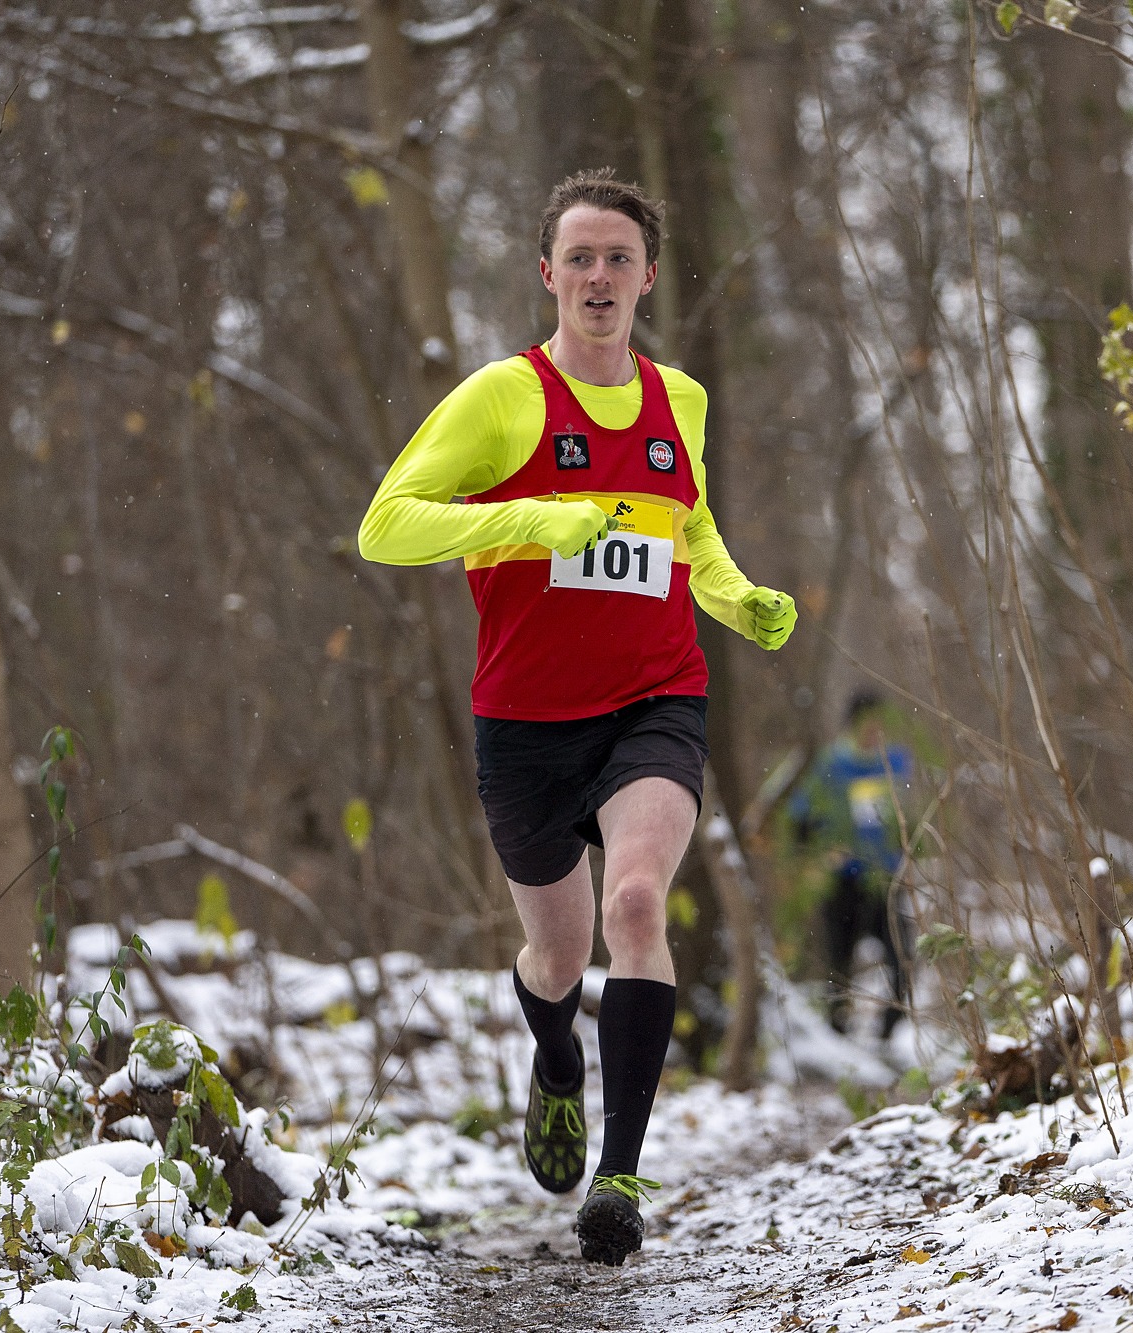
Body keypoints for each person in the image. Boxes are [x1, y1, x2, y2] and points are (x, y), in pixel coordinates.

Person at [356, 169, 796, 1266]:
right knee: (556, 955)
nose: (600, 276)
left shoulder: (679, 400)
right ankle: (556, 1057)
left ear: (648, 276)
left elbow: (686, 530)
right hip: (526, 721)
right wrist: (528, 521)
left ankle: (619, 1178)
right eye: (581, 258)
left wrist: (734, 595)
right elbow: (386, 525)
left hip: (656, 697)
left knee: (636, 904)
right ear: (547, 273)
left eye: (619, 258)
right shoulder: (501, 398)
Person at [788, 692, 915, 1040]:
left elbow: (913, 814)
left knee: (901, 954)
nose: (874, 732)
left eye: (879, 725)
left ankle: (891, 1030)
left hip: (886, 877)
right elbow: (801, 815)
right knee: (840, 958)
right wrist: (819, 853)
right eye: (867, 725)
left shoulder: (895, 762)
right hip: (842, 879)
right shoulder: (832, 764)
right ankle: (837, 1030)